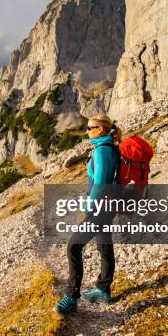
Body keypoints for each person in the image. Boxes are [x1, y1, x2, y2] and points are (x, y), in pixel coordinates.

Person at [53, 113, 122, 314]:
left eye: (90, 128)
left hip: (100, 208)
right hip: (110, 205)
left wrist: (86, 210)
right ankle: (103, 290)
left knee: (73, 246)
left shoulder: (101, 151)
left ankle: (71, 297)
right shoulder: (111, 147)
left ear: (100, 129)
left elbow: (100, 184)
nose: (86, 131)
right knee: (103, 245)